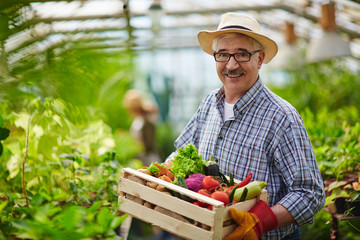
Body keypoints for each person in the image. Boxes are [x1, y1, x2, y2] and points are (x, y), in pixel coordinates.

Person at [167, 12, 325, 240]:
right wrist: (155, 176)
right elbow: (181, 153)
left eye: (242, 54)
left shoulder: (281, 117)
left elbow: (310, 194)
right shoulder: (209, 103)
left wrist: (259, 222)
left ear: (259, 59)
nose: (231, 65)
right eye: (222, 54)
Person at [123, 89, 161, 167]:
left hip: (147, 159)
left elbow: (147, 143)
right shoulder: (138, 120)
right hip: (141, 158)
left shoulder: (146, 120)